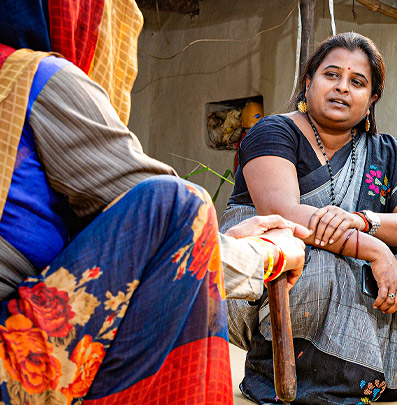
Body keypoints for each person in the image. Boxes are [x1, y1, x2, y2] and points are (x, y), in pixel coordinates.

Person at [0, 1, 307, 403]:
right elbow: (172, 228)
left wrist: (222, 239)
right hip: (15, 359)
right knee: (175, 204)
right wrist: (265, 255)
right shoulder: (31, 79)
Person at [220, 32, 397, 404]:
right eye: (331, 75)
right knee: (323, 261)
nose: (343, 88)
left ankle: (383, 373)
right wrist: (375, 250)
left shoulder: (388, 152)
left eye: (357, 82)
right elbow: (284, 214)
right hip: (270, 279)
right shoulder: (275, 132)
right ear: (308, 81)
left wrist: (363, 221)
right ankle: (289, 378)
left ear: (372, 98)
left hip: (355, 252)